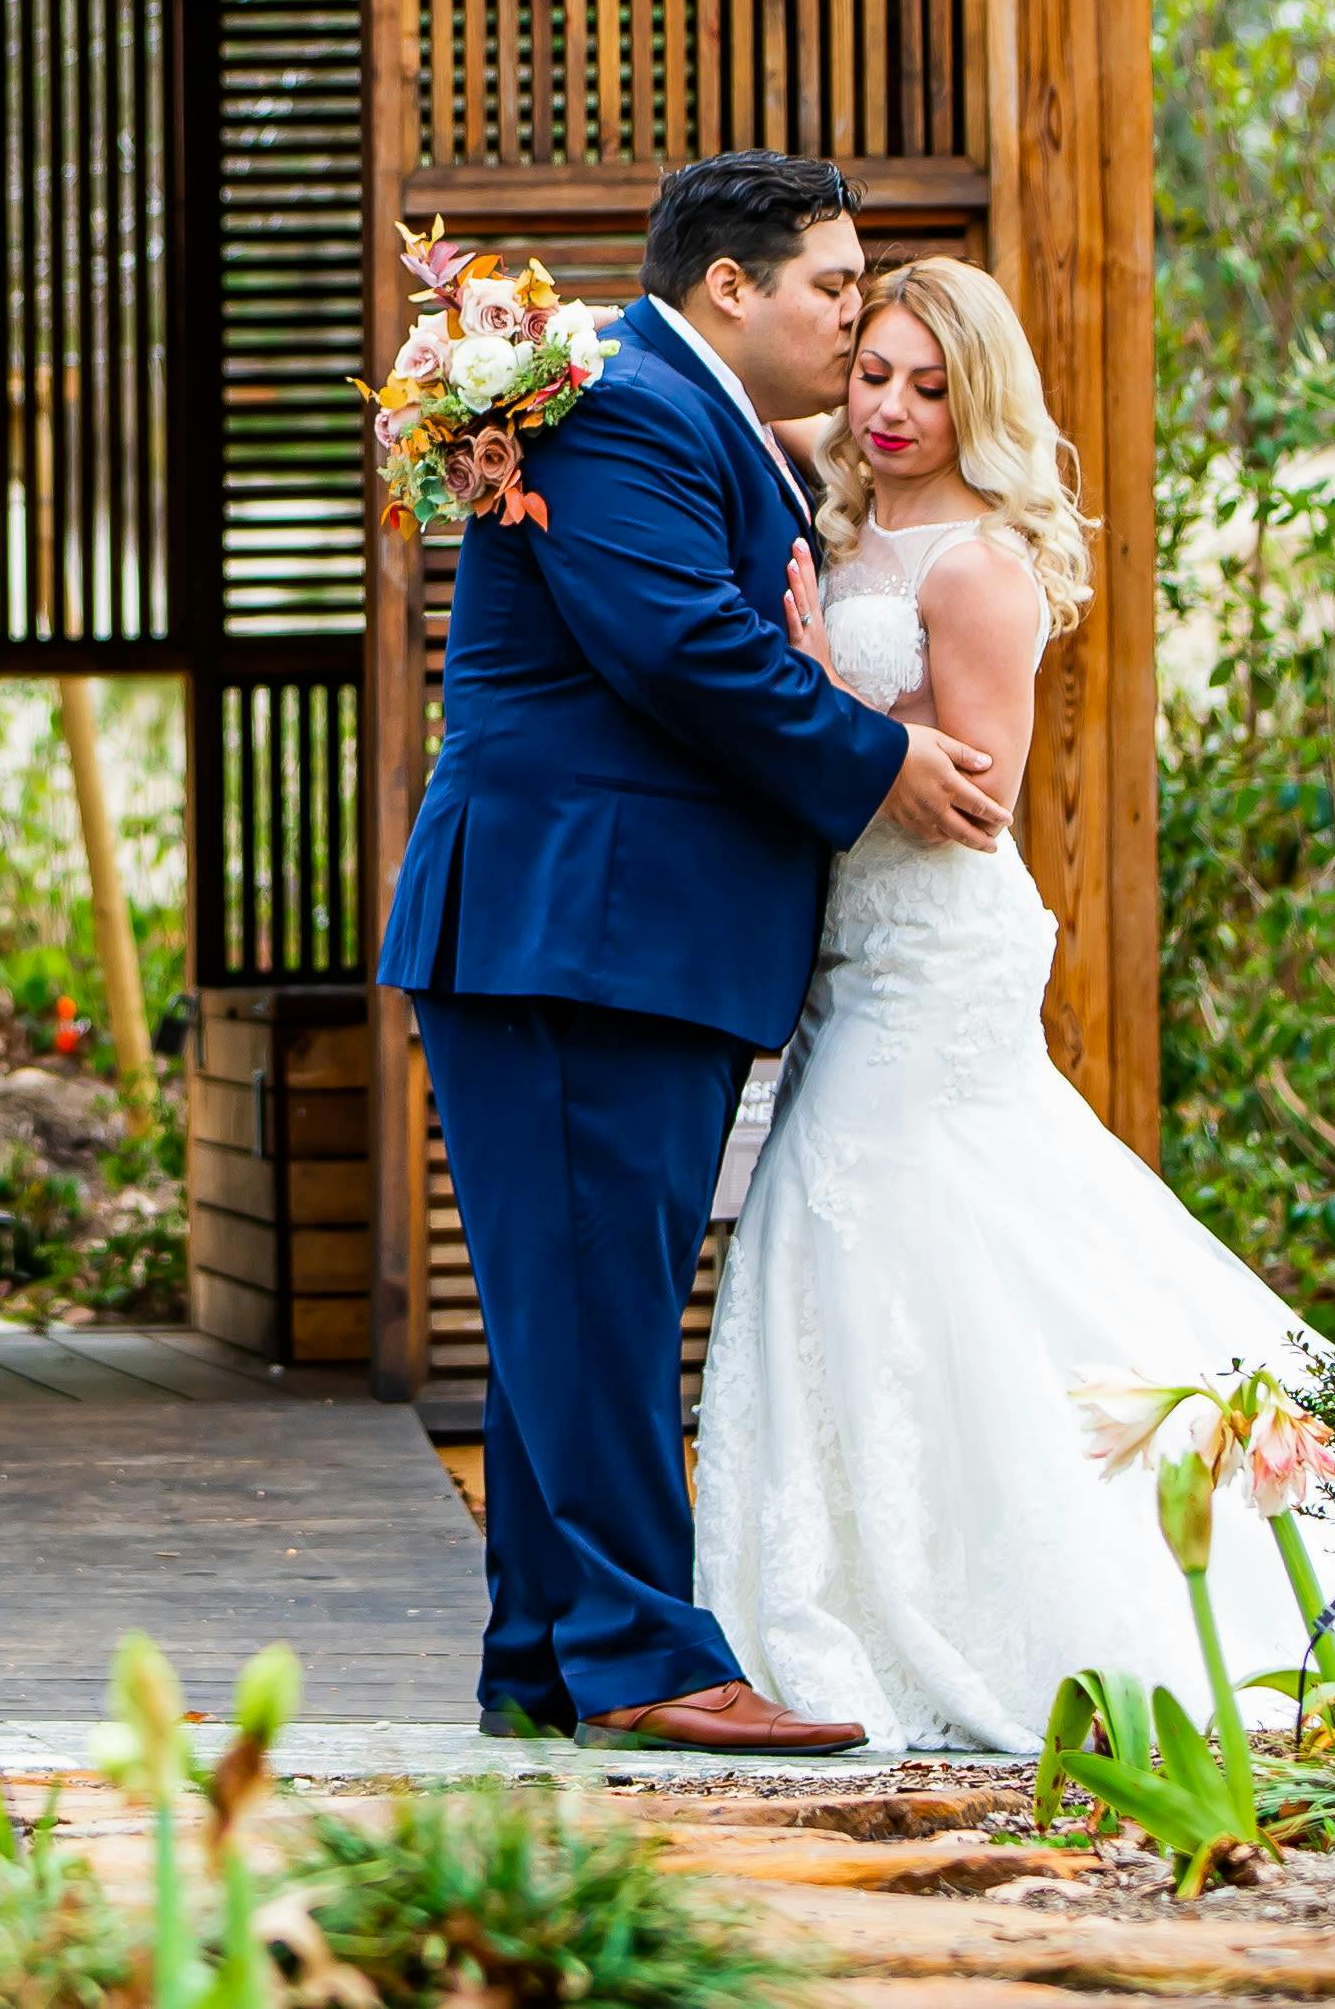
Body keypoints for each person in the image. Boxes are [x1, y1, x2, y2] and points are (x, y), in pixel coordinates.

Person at [376, 152, 1012, 1755]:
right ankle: (647, 1660)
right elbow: (686, 650)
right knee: (586, 1299)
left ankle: (544, 1657)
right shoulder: (633, 408)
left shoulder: (700, 421)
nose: (850, 313)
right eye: (830, 288)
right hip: (573, 929)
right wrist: (881, 763)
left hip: (611, 936)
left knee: (571, 1307)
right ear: (729, 288)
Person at [692, 257, 1335, 1749]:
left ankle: (978, 1592)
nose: (887, 408)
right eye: (872, 372)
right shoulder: (841, 507)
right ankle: (854, 1581)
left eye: (928, 388)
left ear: (975, 398)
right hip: (848, 951)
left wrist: (809, 688)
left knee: (839, 1210)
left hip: (937, 951)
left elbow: (973, 797)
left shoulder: (980, 563)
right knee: (943, 1234)